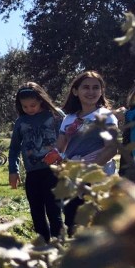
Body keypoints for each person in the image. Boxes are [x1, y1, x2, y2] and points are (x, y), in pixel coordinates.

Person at [50, 70, 119, 235]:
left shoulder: (106, 116)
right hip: (73, 178)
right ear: (75, 91)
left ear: (101, 91)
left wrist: (89, 171)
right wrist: (52, 159)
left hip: (97, 178)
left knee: (96, 223)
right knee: (73, 220)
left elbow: (111, 148)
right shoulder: (68, 119)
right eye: (86, 87)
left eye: (96, 87)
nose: (91, 91)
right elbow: (60, 147)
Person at [7, 83, 64, 242]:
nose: (29, 109)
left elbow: (67, 139)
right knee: (36, 212)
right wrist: (13, 170)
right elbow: (14, 149)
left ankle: (58, 244)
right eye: (25, 106)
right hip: (32, 173)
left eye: (33, 105)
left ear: (41, 100)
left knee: (54, 211)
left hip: (54, 171)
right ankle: (43, 246)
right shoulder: (21, 121)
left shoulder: (55, 115)